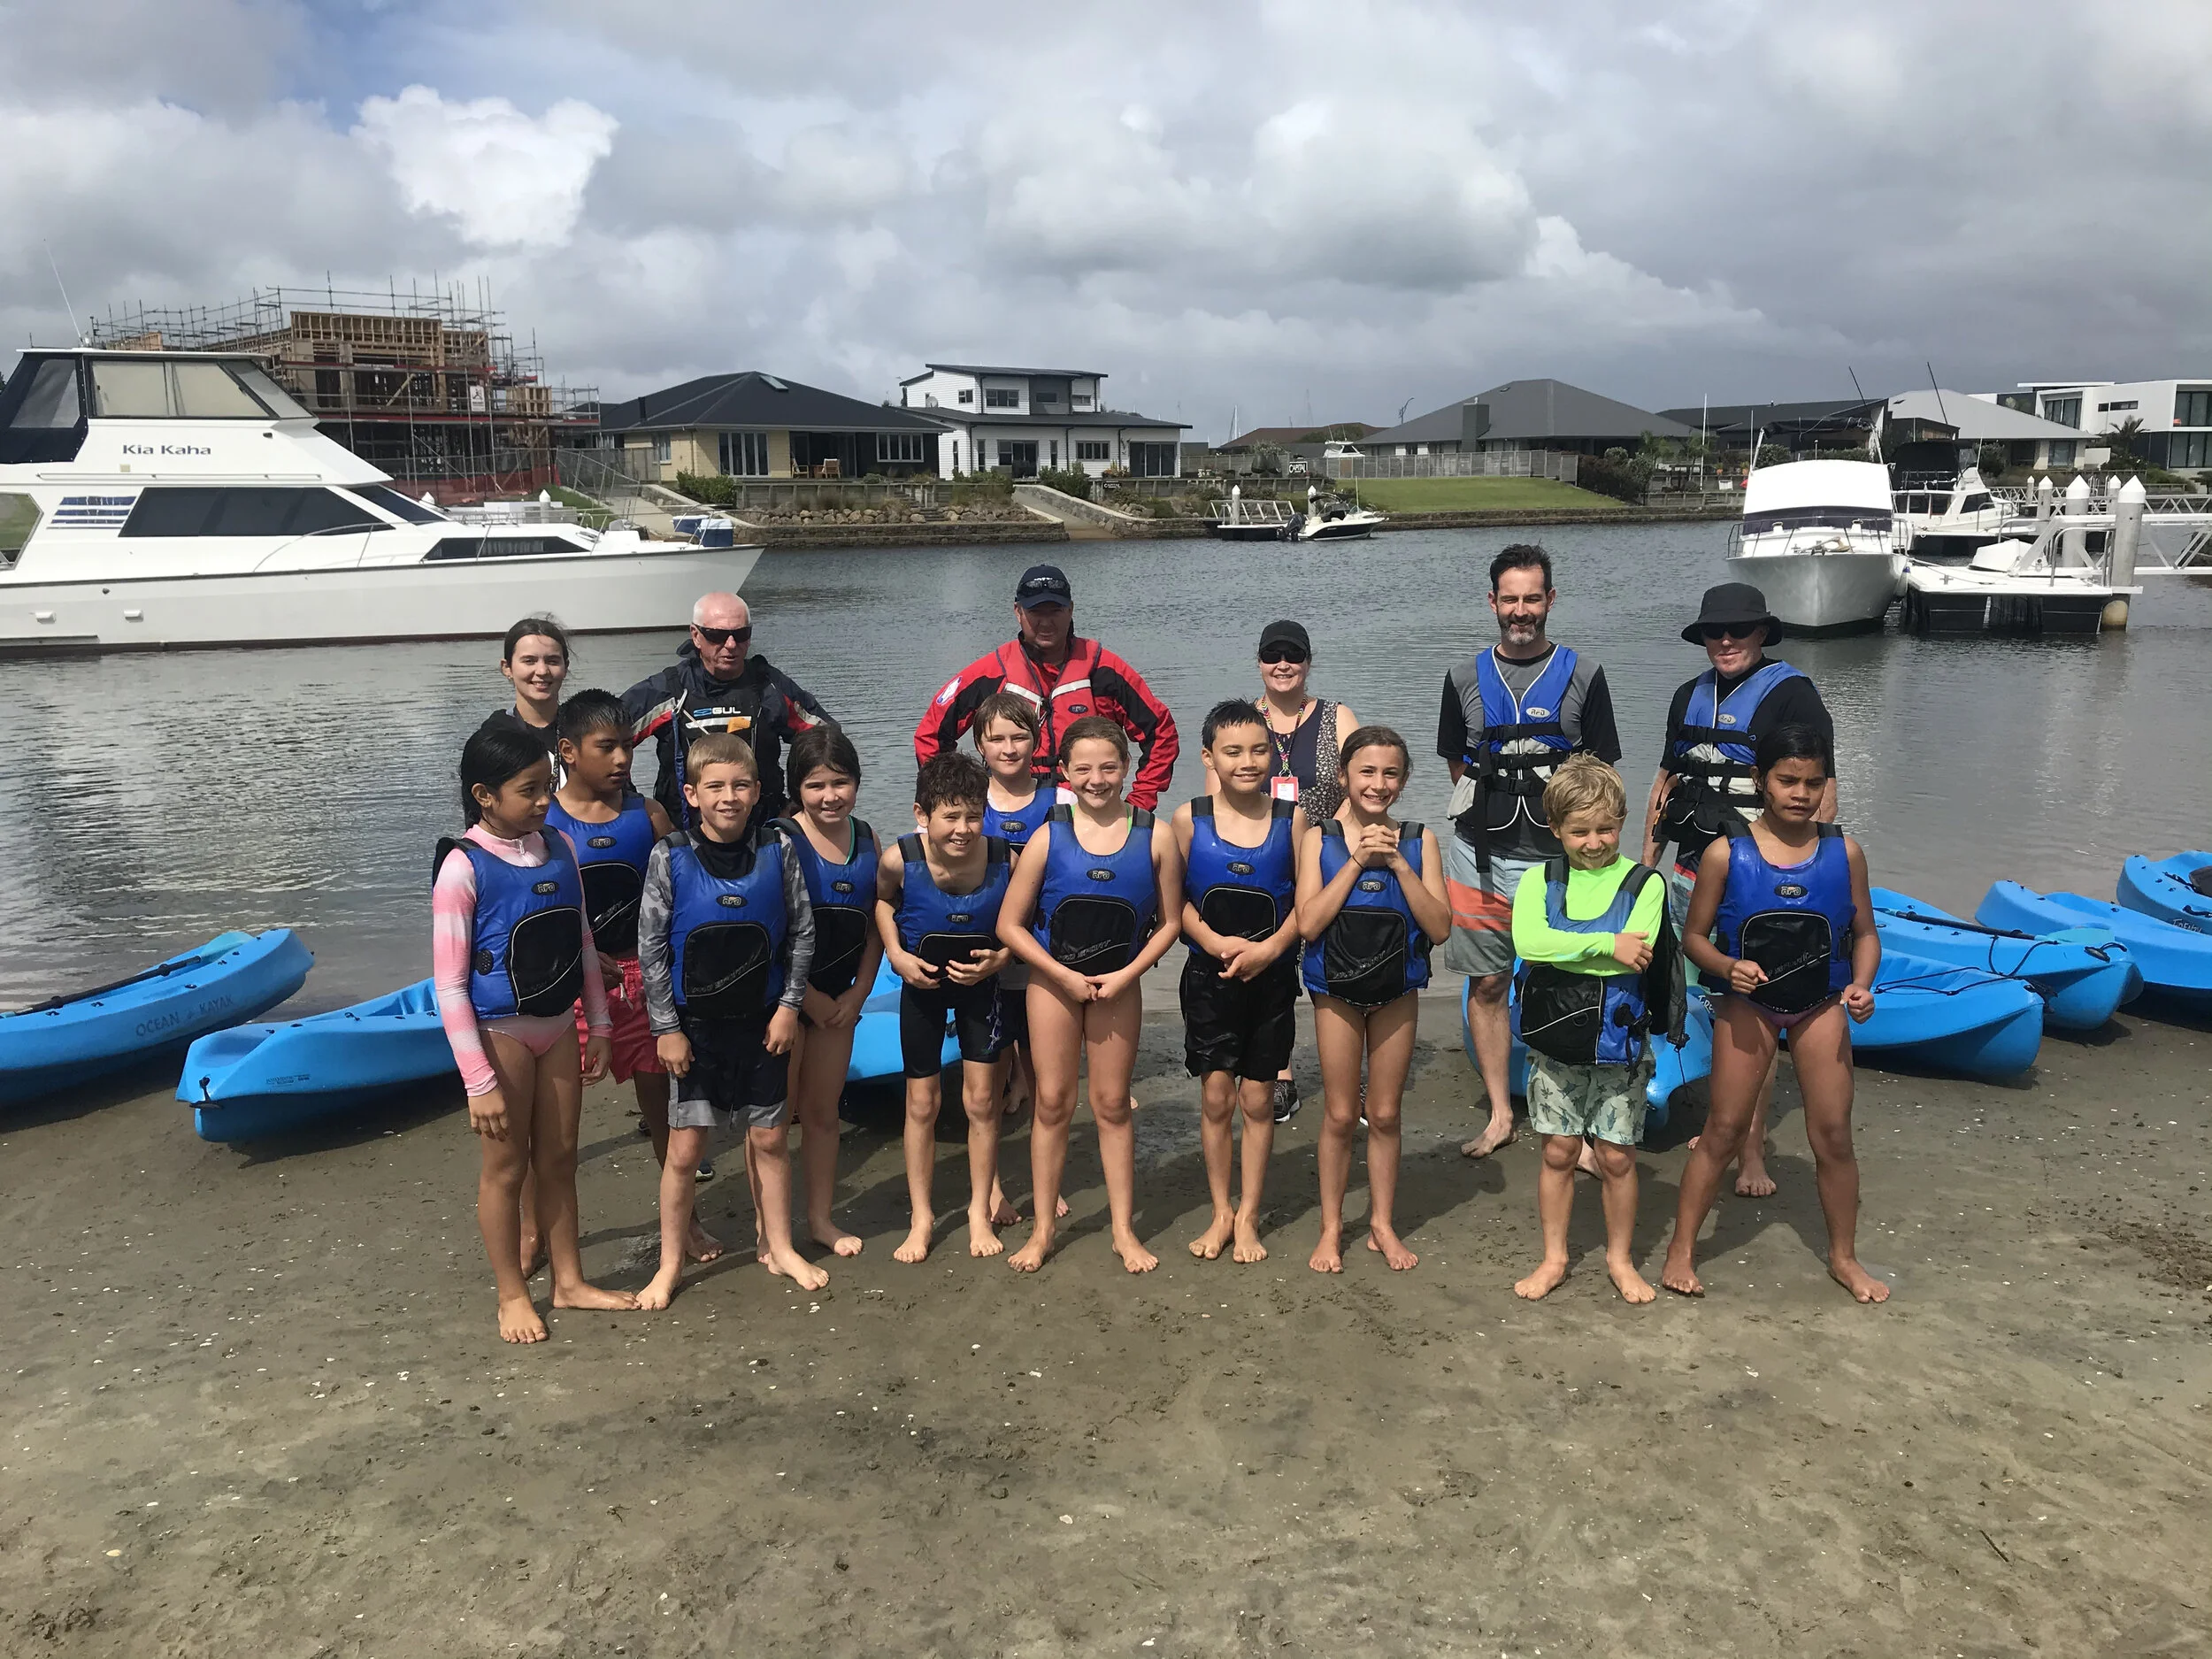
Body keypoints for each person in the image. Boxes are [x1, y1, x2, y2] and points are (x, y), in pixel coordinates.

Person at [1662, 725, 1885, 1302]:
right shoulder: (1725, 852)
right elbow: (1693, 938)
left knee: (1833, 1133)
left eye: (1813, 782)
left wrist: (1861, 985)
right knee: (1723, 1130)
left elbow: (1864, 933)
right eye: (1787, 780)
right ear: (1760, 780)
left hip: (1820, 1006)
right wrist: (1725, 966)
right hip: (1748, 1006)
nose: (1800, 793)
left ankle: (1844, 1256)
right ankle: (1681, 1251)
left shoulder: (1845, 851)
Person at [433, 723, 635, 1343]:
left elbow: (582, 940)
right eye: (530, 789)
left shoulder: (557, 847)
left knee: (560, 1158)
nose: (546, 799)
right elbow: (450, 987)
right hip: (503, 1036)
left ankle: (569, 1282)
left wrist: (599, 1025)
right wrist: (479, 1082)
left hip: (559, 1028)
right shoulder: (462, 869)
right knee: (507, 1167)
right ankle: (512, 1294)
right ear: (484, 795)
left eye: (548, 785)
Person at [1641, 581, 1837, 1200]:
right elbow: (1665, 785)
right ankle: (1715, 1119)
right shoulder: (1686, 695)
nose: (1724, 640)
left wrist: (1817, 876)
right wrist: (1644, 864)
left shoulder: (1794, 696)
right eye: (1713, 631)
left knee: (1753, 1008)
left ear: (1761, 634)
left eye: (1738, 630)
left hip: (1760, 883)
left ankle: (1751, 1151)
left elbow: (1820, 791)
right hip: (1692, 869)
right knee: (1699, 996)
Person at [1438, 545, 1622, 1163]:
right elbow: (1456, 763)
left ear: (1550, 600)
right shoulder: (1464, 676)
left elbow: (1601, 775)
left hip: (1561, 864)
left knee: (1574, 980)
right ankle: (1500, 1113)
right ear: (1493, 602)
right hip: (1480, 855)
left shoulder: (1584, 674)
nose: (1521, 611)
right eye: (1510, 598)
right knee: (1488, 982)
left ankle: (1582, 1122)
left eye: (1532, 598)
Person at [635, 733, 822, 1304]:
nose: (729, 796)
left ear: (758, 790)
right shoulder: (670, 856)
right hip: (696, 1032)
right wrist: (666, 1027)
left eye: (741, 785)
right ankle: (669, 1265)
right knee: (686, 1150)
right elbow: (652, 949)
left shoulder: (779, 849)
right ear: (691, 794)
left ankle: (782, 1246)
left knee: (768, 1138)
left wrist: (790, 1008)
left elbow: (801, 933)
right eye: (714, 786)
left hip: (763, 1023)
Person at [997, 716, 1184, 1273]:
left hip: (1118, 986)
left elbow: (1171, 923)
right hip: (1055, 984)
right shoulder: (1048, 834)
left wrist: (1127, 976)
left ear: (1127, 768)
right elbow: (1011, 925)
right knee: (1051, 1104)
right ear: (1064, 773)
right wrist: (1061, 974)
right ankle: (1044, 1232)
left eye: (1109, 766)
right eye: (1084, 768)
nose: (1097, 779)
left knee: (1110, 1106)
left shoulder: (1157, 835)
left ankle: (1123, 1230)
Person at [546, 691, 715, 1246]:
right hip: (569, 990)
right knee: (551, 1132)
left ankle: (685, 1223)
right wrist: (575, 950)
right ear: (568, 751)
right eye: (607, 748)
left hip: (643, 983)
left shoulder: (648, 815)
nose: (622, 759)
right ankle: (535, 1230)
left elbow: (684, 892)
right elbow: (528, 907)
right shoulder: (542, 822)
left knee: (665, 1116)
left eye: (628, 747)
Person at [1507, 756, 1673, 1305]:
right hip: (1555, 1046)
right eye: (1579, 831)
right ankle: (1554, 1257)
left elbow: (1637, 958)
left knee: (1617, 1157)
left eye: (1606, 828)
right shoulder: (1538, 880)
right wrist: (1605, 943)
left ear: (1622, 822)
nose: (1595, 841)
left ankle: (1619, 1259)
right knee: (1558, 1151)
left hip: (1619, 1047)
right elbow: (1530, 945)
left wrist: (1576, 951)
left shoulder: (1646, 884)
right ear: (1555, 830)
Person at [1296, 726, 1450, 1275]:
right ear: (1343, 776)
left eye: (1390, 774)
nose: (1377, 783)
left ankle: (1382, 1223)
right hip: (1335, 991)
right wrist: (1360, 860)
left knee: (1384, 1113)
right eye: (1366, 771)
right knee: (1340, 1114)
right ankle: (1332, 1227)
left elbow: (1439, 929)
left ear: (1404, 781)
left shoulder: (1418, 839)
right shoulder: (1319, 839)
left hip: (1396, 991)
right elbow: (1308, 924)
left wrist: (1400, 865)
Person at [1172, 700, 1309, 1264]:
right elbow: (1172, 904)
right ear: (1210, 758)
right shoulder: (1188, 819)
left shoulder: (1290, 818)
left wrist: (1272, 949)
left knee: (1258, 1100)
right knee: (1216, 1096)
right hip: (1210, 978)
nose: (1247, 762)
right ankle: (1220, 1211)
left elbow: (1308, 902)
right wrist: (1212, 942)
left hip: (1272, 980)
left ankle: (1249, 1215)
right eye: (1232, 752)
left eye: (1258, 750)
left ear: (1273, 755)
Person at [876, 752, 1017, 1263]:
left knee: (981, 1102)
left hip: (982, 989)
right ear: (922, 814)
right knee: (922, 1104)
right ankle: (922, 1217)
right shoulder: (899, 859)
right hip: (922, 989)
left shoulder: (1005, 858)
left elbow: (1025, 921)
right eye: (950, 817)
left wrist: (1000, 959)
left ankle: (979, 1210)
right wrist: (895, 955)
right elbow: (883, 904)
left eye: (973, 816)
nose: (963, 829)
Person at [913, 564, 1180, 811]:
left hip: (1088, 812)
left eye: (1055, 611)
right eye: (1035, 612)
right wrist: (952, 801)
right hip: (1009, 806)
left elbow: (1161, 733)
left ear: (1071, 610)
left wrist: (1139, 803)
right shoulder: (990, 674)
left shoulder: (1105, 671)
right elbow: (931, 735)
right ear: (1018, 612)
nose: (1045, 622)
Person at [778, 726, 880, 1259]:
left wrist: (859, 994)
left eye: (841, 783)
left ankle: (819, 1219)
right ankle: (769, 1234)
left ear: (857, 784)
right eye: (816, 785)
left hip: (842, 999)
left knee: (822, 1112)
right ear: (797, 788)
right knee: (774, 1120)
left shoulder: (867, 838)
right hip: (786, 1003)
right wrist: (805, 999)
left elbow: (874, 925)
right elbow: (766, 932)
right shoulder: (779, 839)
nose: (830, 797)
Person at [1252, 618, 1360, 1123]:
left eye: (1293, 655)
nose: (1283, 664)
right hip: (1262, 863)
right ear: (1259, 663)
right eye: (1273, 655)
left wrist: (1324, 844)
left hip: (1326, 858)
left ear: (1308, 663)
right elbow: (1219, 790)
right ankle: (1281, 1074)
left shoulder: (1338, 717)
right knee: (1272, 971)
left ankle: (1347, 1078)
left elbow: (1359, 789)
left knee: (1340, 967)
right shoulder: (1243, 720)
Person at [624, 592, 832, 830]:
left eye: (741, 635)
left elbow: (828, 741)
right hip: (684, 835)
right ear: (696, 635)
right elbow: (600, 741)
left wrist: (798, 803)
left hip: (764, 833)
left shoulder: (769, 686)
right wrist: (636, 806)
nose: (731, 645)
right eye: (717, 636)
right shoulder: (669, 689)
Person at [972, 691, 1059, 1226]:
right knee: (991, 1083)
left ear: (1037, 741)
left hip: (1041, 955)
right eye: (997, 738)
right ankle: (995, 1189)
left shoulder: (1057, 802)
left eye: (1020, 736)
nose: (1009, 748)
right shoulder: (969, 802)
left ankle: (1042, 1184)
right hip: (984, 956)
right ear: (979, 744)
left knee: (1044, 1083)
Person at [483, 617, 571, 763]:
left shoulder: (583, 730)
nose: (542, 671)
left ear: (565, 667)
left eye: (552, 661)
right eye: (529, 661)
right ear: (507, 668)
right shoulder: (494, 736)